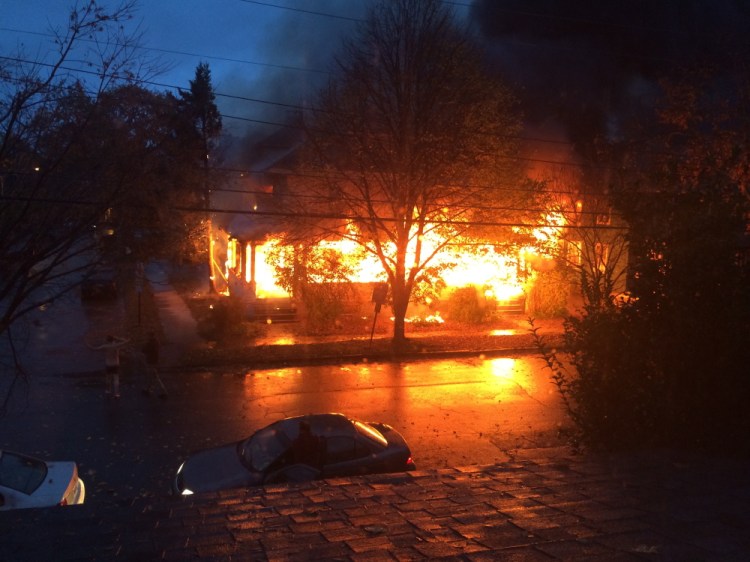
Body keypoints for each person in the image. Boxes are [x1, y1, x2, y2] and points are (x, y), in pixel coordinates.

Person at [141, 331, 167, 398]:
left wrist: (144, 346)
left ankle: (163, 391)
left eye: (147, 336)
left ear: (149, 336)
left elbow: (143, 350)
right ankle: (149, 389)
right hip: (154, 360)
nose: (146, 337)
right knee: (152, 376)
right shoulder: (156, 342)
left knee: (154, 376)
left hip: (150, 361)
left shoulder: (150, 343)